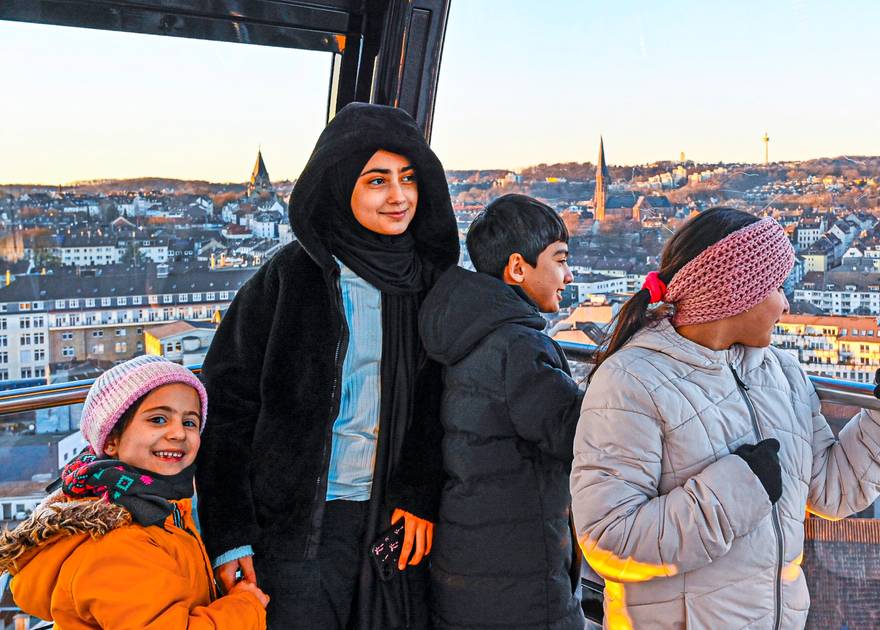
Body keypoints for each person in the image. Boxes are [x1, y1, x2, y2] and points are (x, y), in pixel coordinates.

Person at [570, 208, 880, 628]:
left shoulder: (782, 373)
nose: (786, 303)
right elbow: (609, 540)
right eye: (777, 287)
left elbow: (832, 491)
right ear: (736, 294)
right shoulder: (631, 381)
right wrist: (736, 492)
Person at [196, 103, 459, 629]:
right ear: (340, 185)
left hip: (395, 522)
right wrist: (230, 536)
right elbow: (226, 411)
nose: (399, 196)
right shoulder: (290, 279)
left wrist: (419, 494)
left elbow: (442, 406)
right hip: (298, 529)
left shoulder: (431, 285)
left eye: (408, 177)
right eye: (377, 180)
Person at [0, 355, 268, 629]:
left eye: (190, 422)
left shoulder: (154, 505)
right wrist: (245, 607)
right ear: (111, 440)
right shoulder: (118, 544)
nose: (178, 433)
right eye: (158, 419)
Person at [419, 194, 584, 629]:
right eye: (560, 260)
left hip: (468, 560)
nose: (568, 275)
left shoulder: (465, 330)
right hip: (520, 575)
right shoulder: (519, 346)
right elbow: (580, 435)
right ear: (517, 268)